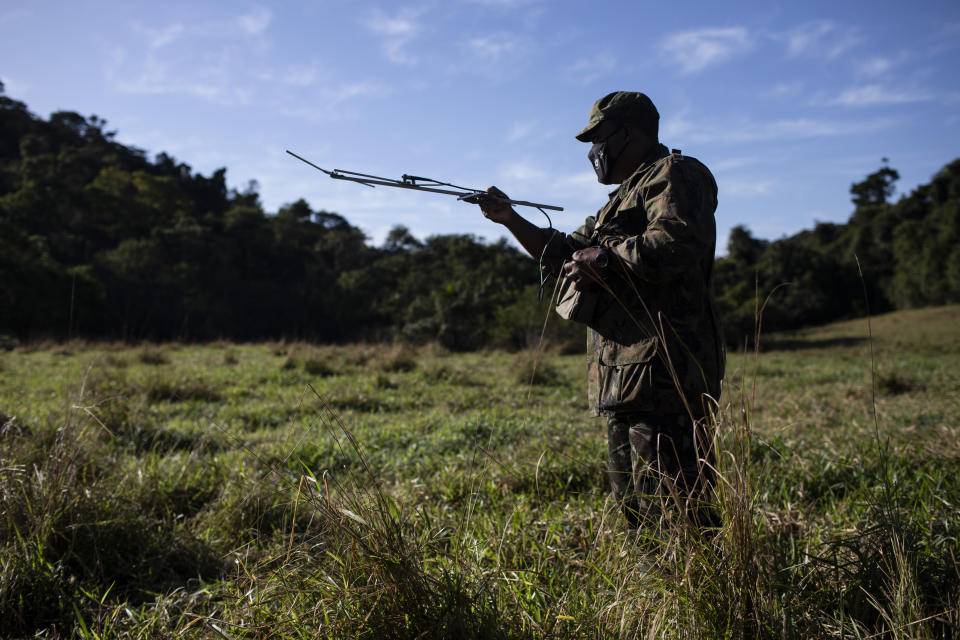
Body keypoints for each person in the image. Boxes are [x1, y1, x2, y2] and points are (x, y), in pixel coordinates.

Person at [472, 91, 724, 532]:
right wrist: (509, 218)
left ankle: (708, 598)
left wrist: (604, 260)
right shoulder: (617, 201)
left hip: (668, 376)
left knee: (679, 510)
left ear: (626, 133)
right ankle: (657, 600)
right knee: (636, 513)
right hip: (623, 379)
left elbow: (677, 241)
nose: (592, 153)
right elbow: (564, 251)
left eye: (597, 139)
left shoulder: (675, 173)